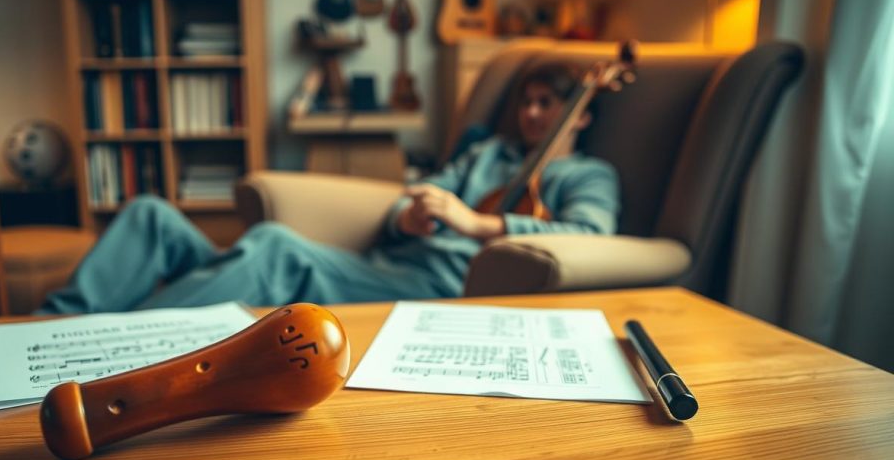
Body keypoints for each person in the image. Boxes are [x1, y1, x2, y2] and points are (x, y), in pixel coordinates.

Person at [38, 62, 620, 314]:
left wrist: (478, 224)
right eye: (529, 101)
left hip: (432, 288)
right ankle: (47, 330)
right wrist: (408, 215)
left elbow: (592, 235)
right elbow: (413, 197)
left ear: (581, 113)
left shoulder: (586, 175)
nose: (534, 113)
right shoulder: (485, 153)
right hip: (379, 261)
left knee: (275, 245)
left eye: (550, 103)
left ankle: (112, 343)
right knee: (149, 213)